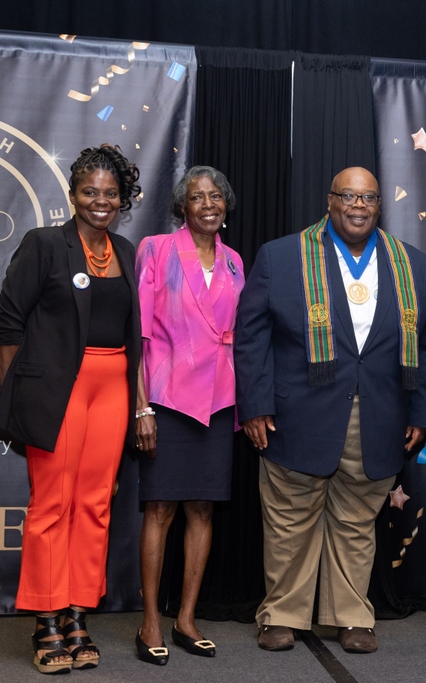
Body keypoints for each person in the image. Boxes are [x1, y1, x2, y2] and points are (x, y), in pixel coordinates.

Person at [235, 167, 426, 654]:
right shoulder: (281, 256)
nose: (358, 205)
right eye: (348, 196)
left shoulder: (413, 263)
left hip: (381, 416)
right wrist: (256, 406)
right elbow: (252, 339)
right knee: (290, 520)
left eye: (368, 197)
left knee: (356, 521)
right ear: (329, 201)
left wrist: (419, 411)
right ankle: (282, 613)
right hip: (295, 415)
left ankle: (350, 615)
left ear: (378, 205)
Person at [0, 144, 143, 674]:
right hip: (56, 390)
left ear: (122, 199)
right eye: (89, 192)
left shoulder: (126, 250)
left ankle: (78, 613)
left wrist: (139, 401)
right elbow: (8, 325)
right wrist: (17, 399)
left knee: (96, 504)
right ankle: (45, 618)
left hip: (113, 385)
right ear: (73, 194)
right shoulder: (45, 244)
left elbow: (134, 335)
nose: (99, 201)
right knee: (51, 503)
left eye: (110, 194)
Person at [132, 167, 245, 666]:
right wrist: (142, 407)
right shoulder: (155, 249)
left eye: (215, 196)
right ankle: (151, 620)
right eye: (197, 197)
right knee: (160, 510)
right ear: (182, 206)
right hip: (167, 397)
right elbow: (140, 336)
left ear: (226, 205)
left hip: (218, 401)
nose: (207, 204)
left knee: (202, 510)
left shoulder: (237, 262)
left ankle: (187, 618)